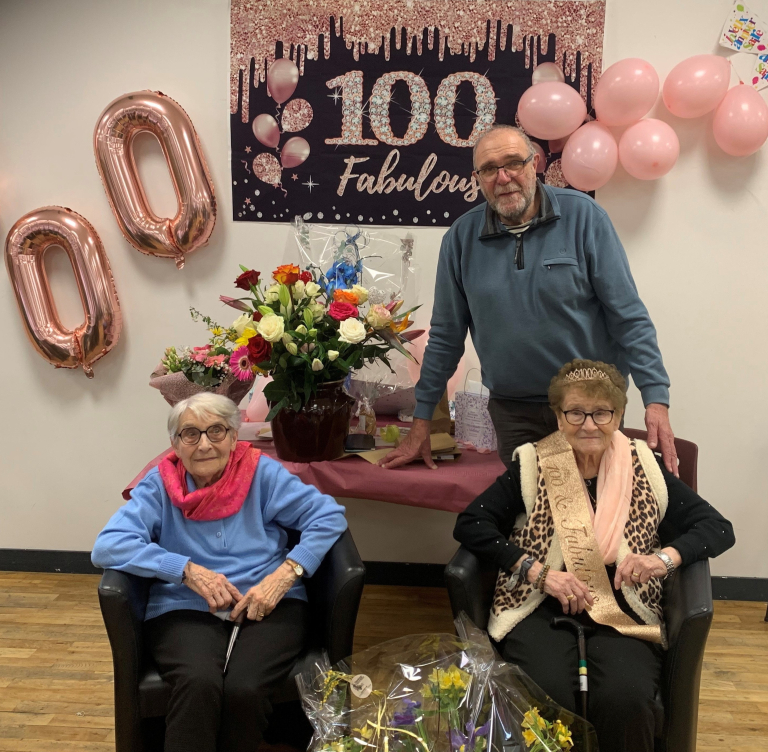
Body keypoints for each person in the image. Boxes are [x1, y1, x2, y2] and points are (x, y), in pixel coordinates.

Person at [453, 359, 734, 752]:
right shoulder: (534, 462)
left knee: (626, 699)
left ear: (617, 416)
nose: (588, 425)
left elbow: (717, 528)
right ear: (558, 416)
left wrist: (661, 560)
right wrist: (535, 571)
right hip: (543, 601)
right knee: (545, 694)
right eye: (575, 412)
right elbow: (472, 523)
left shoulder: (644, 464)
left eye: (601, 412)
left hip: (624, 605)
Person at [381, 124, 677, 474]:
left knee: (593, 504)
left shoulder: (584, 217)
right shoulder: (461, 239)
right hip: (513, 413)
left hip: (589, 405)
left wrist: (656, 399)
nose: (503, 177)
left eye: (513, 163)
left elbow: (628, 318)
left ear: (534, 163)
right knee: (528, 505)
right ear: (477, 178)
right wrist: (422, 420)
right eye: (489, 169)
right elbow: (445, 338)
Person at [91, 393, 347, 752]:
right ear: (175, 444)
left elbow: (328, 516)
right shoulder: (159, 485)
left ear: (233, 436)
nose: (204, 444)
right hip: (184, 603)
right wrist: (185, 570)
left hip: (269, 600)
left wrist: (285, 574)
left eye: (216, 431)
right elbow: (108, 545)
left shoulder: (261, 473)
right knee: (197, 683)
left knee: (245, 689)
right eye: (190, 434)